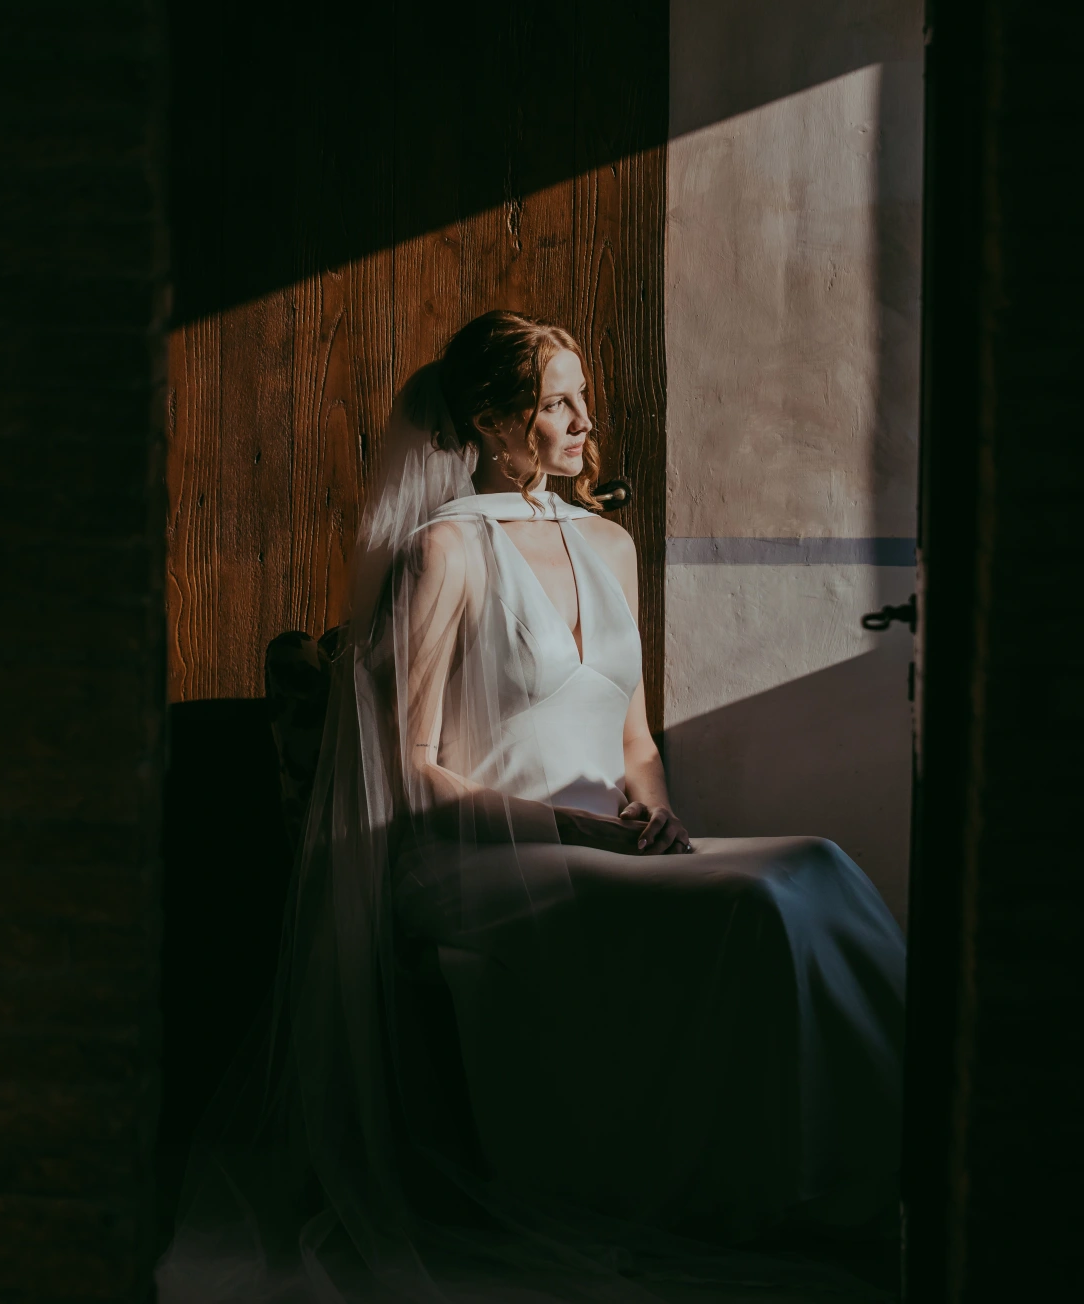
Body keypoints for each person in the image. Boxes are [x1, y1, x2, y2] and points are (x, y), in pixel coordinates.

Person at [159, 310, 906, 1304]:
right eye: (559, 403)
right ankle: (772, 1190)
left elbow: (635, 743)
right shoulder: (445, 553)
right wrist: (583, 829)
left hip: (609, 844)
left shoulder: (609, 542)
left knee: (817, 865)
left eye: (581, 397)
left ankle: (896, 1161)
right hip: (473, 859)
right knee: (758, 902)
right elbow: (412, 770)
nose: (586, 421)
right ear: (492, 420)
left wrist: (656, 817)